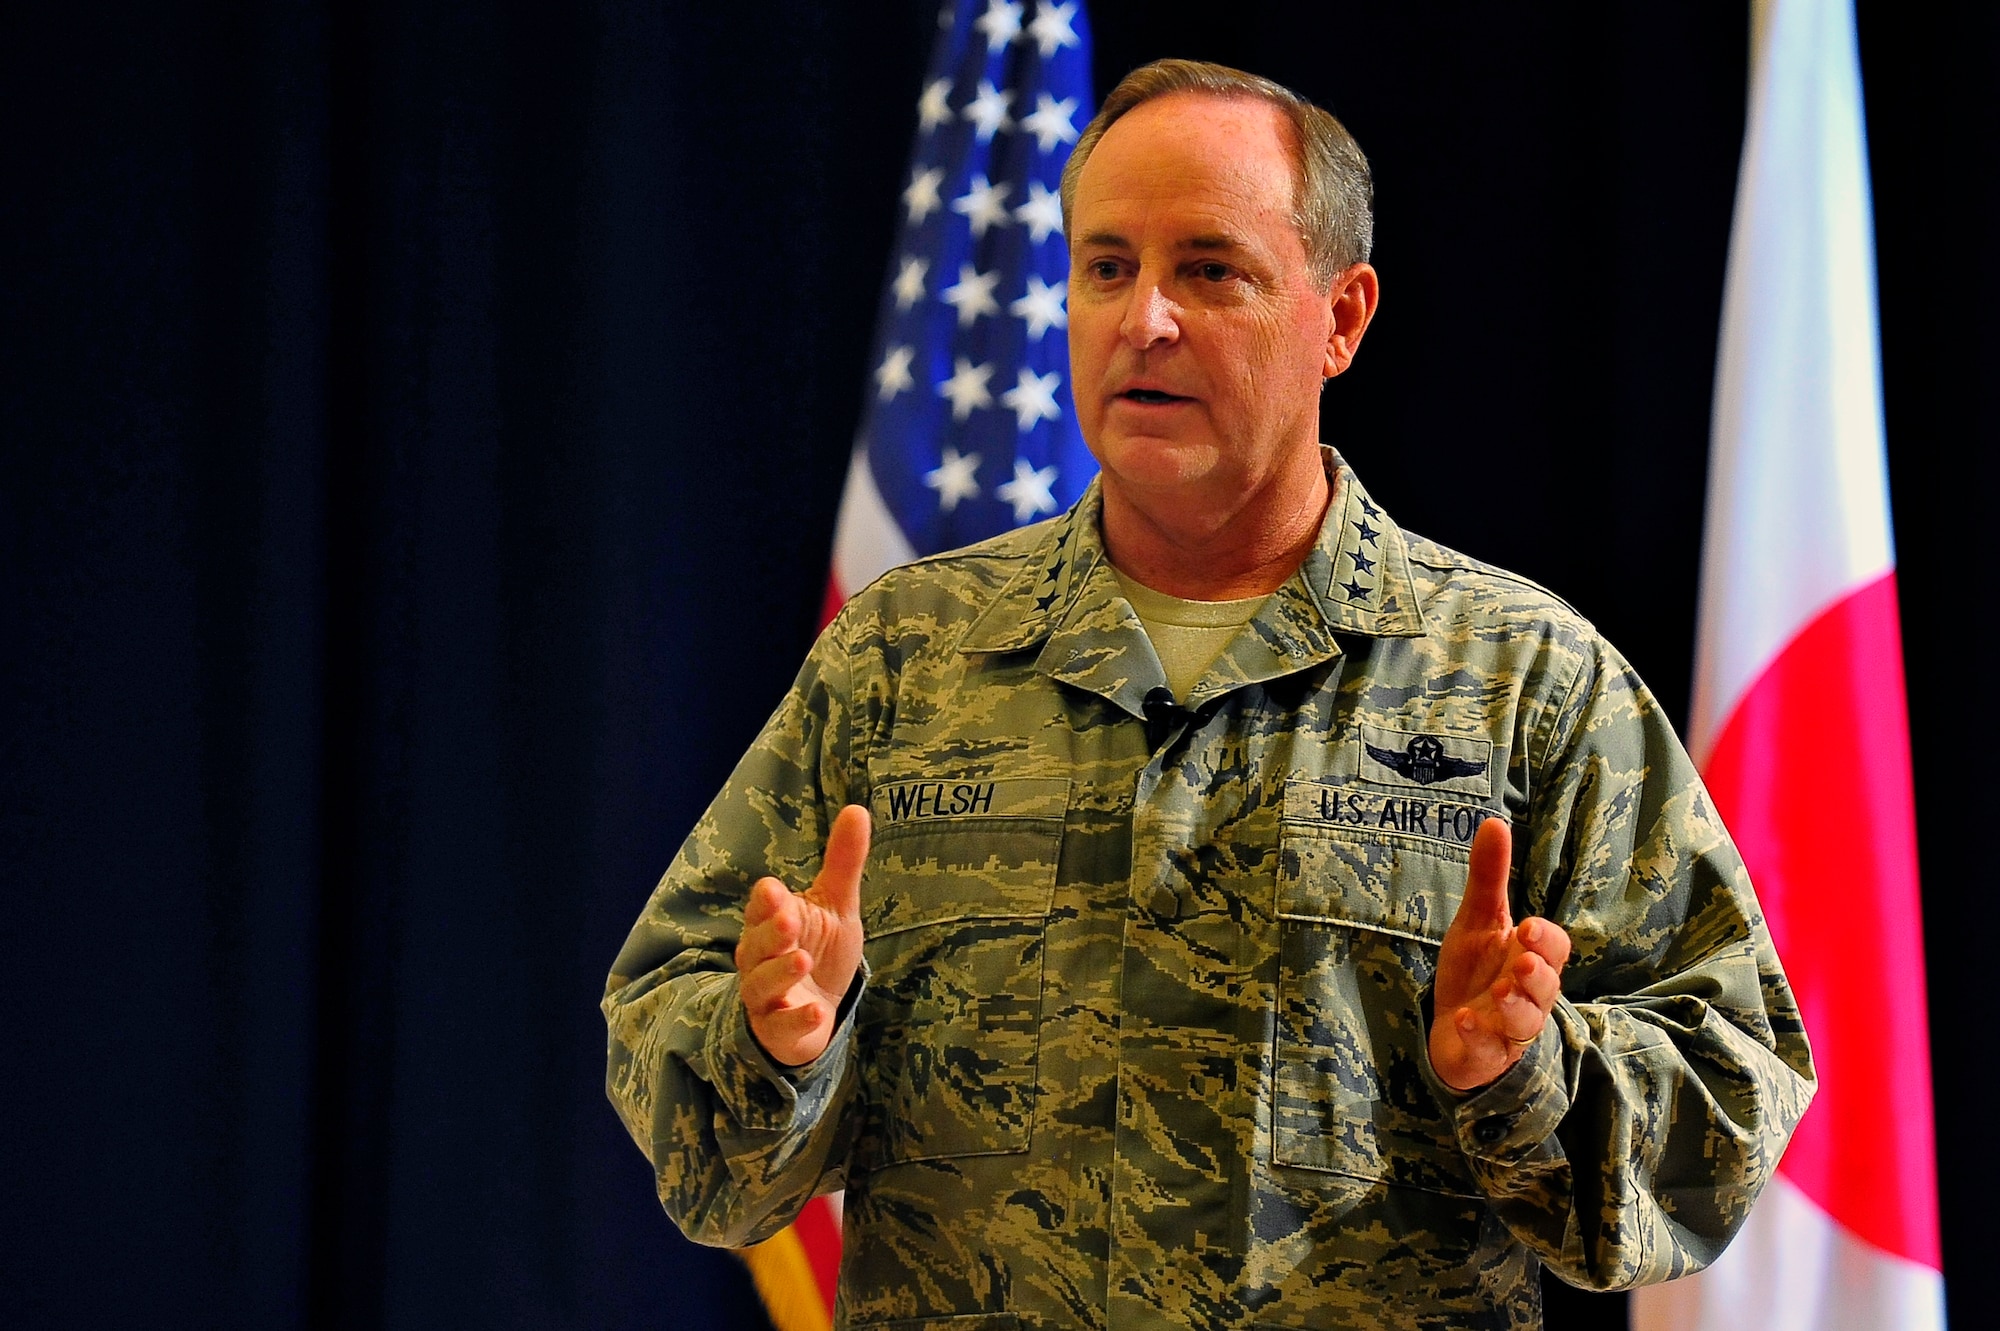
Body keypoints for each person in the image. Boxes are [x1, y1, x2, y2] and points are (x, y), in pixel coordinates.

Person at [603, 59, 1814, 1330]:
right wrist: (777, 1041)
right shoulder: (904, 656)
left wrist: (1520, 1073)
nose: (1144, 321)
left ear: (1339, 318)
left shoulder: (1521, 680)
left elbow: (1728, 1092)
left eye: (1209, 270)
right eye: (1105, 267)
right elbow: (685, 1085)